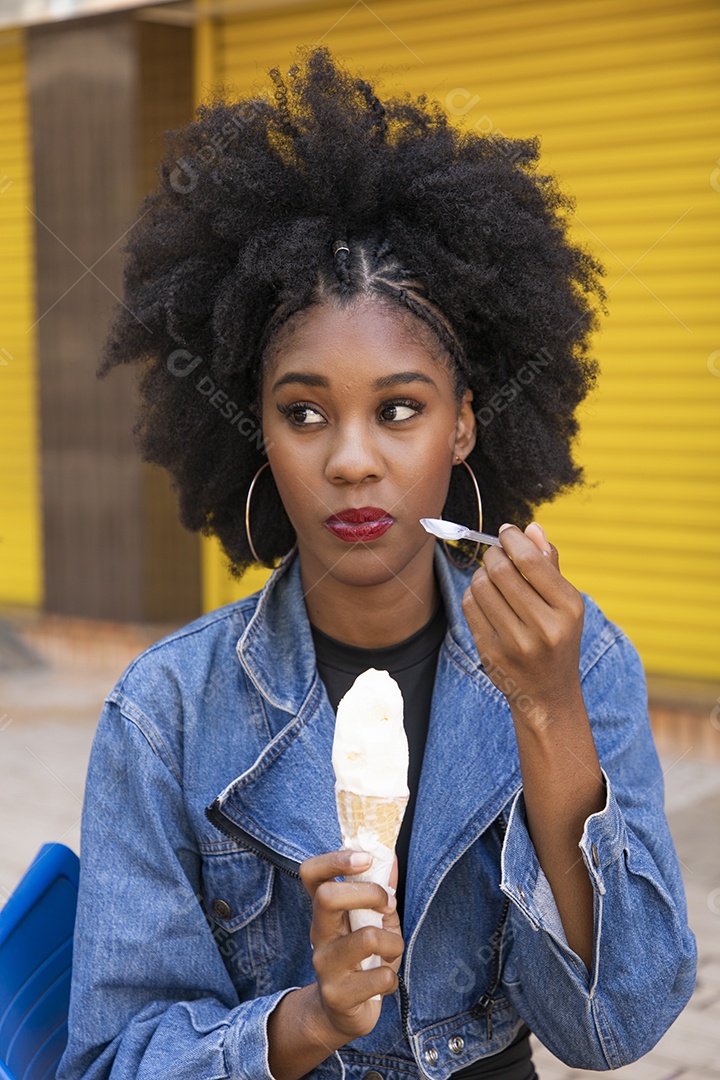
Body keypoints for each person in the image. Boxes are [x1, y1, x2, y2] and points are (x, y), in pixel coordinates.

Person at [58, 47, 696, 1080]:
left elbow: (612, 1029)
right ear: (256, 434)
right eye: (303, 412)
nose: (352, 460)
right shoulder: (165, 713)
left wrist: (547, 712)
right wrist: (302, 1022)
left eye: (399, 409)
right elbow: (111, 1060)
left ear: (463, 427)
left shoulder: (581, 661)